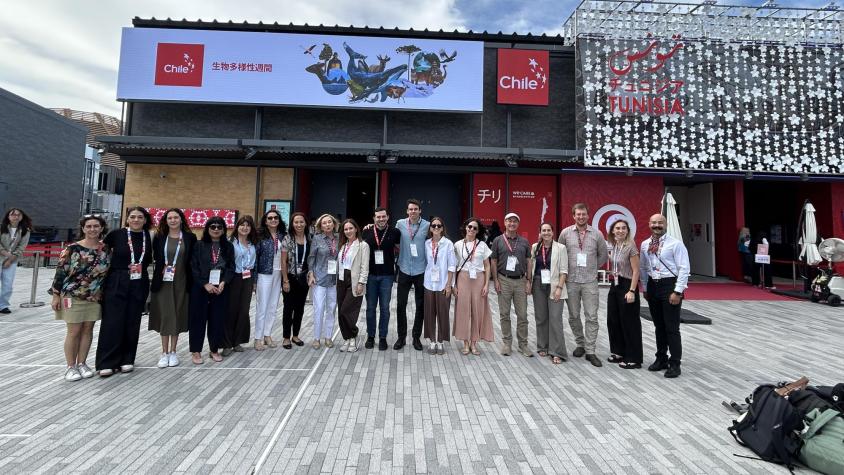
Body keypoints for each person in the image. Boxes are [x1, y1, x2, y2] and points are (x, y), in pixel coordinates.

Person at [50, 215, 110, 381]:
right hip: (72, 295)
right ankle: (70, 366)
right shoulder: (72, 249)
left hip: (94, 297)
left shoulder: (106, 249)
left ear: (101, 228)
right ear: (83, 229)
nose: (92, 229)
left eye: (96, 226)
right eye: (88, 226)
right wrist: (55, 296)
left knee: (87, 330)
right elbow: (60, 273)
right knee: (74, 331)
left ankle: (82, 363)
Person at [96, 206, 153, 377]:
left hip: (139, 280)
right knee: (112, 320)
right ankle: (107, 361)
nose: (136, 220)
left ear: (145, 220)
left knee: (132, 320)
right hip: (117, 279)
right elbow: (101, 254)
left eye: (140, 217)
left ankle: (127, 359)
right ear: (127, 219)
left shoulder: (149, 236)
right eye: (133, 216)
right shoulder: (116, 234)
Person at [639, 214, 690, 379]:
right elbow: (643, 267)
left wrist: (678, 291)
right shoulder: (645, 244)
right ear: (649, 224)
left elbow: (684, 268)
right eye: (654, 222)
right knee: (658, 325)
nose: (657, 225)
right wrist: (645, 287)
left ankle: (675, 363)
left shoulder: (676, 244)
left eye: (660, 222)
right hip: (653, 285)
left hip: (669, 285)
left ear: (665, 224)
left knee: (672, 327)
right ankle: (661, 358)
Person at [558, 203, 608, 367]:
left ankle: (590, 350)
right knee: (573, 315)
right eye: (578, 214)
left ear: (588, 215)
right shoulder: (565, 233)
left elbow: (603, 255)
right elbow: (560, 254)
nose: (581, 217)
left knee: (591, 316)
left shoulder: (597, 234)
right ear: (573, 216)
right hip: (571, 281)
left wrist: (592, 268)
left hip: (589, 281)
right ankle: (580, 343)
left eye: (583, 214)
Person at [149, 208, 196, 368]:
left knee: (177, 313)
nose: (173, 220)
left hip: (182, 282)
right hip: (163, 282)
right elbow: (154, 257)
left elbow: (192, 260)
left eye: (176, 217)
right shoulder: (160, 237)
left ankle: (174, 351)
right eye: (170, 218)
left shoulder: (190, 237)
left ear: (181, 219)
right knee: (165, 315)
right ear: (166, 220)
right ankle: (164, 353)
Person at [189, 217, 235, 364]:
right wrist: (204, 284)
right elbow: (193, 267)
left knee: (217, 319)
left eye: (219, 227)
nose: (216, 229)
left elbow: (231, 267)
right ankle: (196, 351)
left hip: (220, 288)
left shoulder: (228, 246)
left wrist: (224, 282)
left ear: (223, 230)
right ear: (207, 229)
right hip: (201, 287)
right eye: (213, 227)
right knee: (198, 320)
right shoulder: (199, 245)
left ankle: (214, 349)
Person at [490, 212, 533, 357]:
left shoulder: (524, 241)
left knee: (523, 315)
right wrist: (495, 280)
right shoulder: (498, 240)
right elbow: (493, 261)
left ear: (518, 224)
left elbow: (529, 261)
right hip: (504, 280)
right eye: (509, 221)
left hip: (521, 281)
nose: (512, 223)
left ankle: (523, 344)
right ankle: (507, 343)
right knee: (504, 314)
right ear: (505, 223)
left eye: (515, 221)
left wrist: (528, 280)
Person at [527, 223, 568, 365]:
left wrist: (559, 288)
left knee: (555, 318)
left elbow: (564, 270)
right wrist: (528, 282)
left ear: (553, 232)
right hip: (538, 284)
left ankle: (557, 351)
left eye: (548, 230)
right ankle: (542, 346)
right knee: (541, 317)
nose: (546, 233)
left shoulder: (560, 248)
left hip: (555, 285)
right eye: (543, 230)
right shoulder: (535, 247)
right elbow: (531, 266)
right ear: (540, 232)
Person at [361, 207, 401, 351]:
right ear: (374, 218)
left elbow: (400, 249)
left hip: (387, 276)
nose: (381, 219)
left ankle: (383, 337)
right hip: (370, 275)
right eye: (378, 217)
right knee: (370, 308)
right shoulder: (366, 231)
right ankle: (371, 336)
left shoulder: (395, 232)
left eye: (383, 216)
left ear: (388, 217)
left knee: (385, 308)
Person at [452, 217, 494, 356]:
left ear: (478, 231)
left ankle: (474, 343)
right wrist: (454, 284)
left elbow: (487, 266)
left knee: (477, 310)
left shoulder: (482, 245)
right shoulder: (458, 245)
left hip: (478, 279)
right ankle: (465, 343)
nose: (471, 229)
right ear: (465, 227)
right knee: (463, 310)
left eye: (475, 228)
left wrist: (487, 284)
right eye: (469, 226)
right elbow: (454, 266)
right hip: (463, 278)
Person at [606, 219, 642, 369]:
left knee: (629, 322)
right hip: (615, 284)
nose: (620, 230)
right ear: (613, 231)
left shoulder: (630, 246)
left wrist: (632, 290)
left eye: (623, 228)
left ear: (627, 230)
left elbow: (636, 271)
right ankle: (619, 352)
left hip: (628, 285)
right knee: (613, 319)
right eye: (617, 228)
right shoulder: (615, 245)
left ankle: (634, 358)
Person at [222, 215, 258, 356]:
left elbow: (255, 264)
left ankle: (237, 341)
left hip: (247, 278)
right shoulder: (230, 242)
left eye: (248, 225)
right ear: (237, 227)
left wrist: (254, 282)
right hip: (233, 278)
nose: (245, 228)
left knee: (243, 311)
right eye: (242, 225)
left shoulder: (253, 243)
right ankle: (226, 344)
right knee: (230, 311)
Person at [254, 209, 286, 350]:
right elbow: (255, 258)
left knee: (273, 306)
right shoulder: (260, 236)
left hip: (278, 273)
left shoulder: (282, 235)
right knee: (262, 307)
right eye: (270, 218)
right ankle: (258, 338)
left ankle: (267, 335)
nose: (273, 220)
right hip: (264, 274)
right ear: (265, 221)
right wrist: (254, 280)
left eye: (276, 218)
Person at [336, 219, 370, 352]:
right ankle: (348, 338)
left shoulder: (363, 245)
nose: (348, 231)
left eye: (351, 228)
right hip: (341, 280)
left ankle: (354, 335)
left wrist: (361, 283)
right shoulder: (343, 245)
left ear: (356, 229)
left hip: (354, 280)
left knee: (347, 310)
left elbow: (364, 267)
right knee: (340, 312)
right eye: (346, 229)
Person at [423, 217, 455, 355]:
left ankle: (441, 341)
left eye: (439, 225)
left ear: (442, 228)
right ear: (430, 228)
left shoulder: (448, 244)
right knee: (429, 313)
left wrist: (449, 285)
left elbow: (452, 266)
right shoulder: (426, 243)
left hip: (443, 284)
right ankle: (432, 341)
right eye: (433, 225)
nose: (436, 227)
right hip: (429, 284)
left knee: (443, 313)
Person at [308, 213, 339, 349]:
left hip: (334, 279)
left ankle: (328, 337)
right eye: (324, 223)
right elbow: (311, 257)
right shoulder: (317, 238)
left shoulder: (339, 237)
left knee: (331, 309)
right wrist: (311, 273)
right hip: (319, 278)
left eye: (329, 222)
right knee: (319, 309)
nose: (327, 224)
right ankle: (316, 338)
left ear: (334, 224)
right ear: (320, 226)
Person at [280, 212, 311, 349]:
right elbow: (283, 261)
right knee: (288, 308)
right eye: (296, 222)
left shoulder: (309, 238)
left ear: (305, 223)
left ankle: (295, 335)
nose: (299, 224)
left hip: (303, 279)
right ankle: (286, 337)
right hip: (290, 278)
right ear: (292, 224)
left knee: (300, 308)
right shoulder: (287, 239)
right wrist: (285, 280)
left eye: (301, 222)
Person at [0, 208, 32, 314]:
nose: (16, 217)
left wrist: (10, 260)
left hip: (12, 260)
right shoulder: (1, 227)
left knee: (8, 284)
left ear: (22, 217)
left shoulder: (25, 231)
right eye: (13, 214)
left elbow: (21, 247)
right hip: (1, 256)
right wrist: (6, 254)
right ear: (8, 216)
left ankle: (3, 305)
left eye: (18, 215)